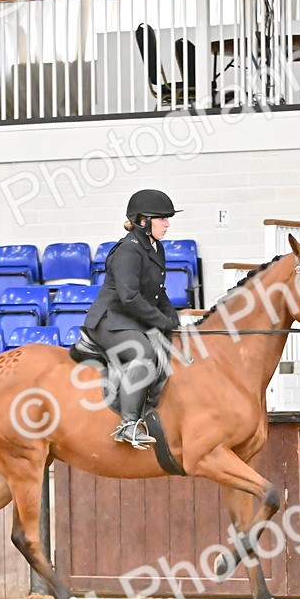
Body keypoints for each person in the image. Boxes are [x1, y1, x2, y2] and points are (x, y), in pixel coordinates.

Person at [84, 189, 182, 449]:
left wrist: (174, 320)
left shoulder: (155, 247)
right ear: (142, 221)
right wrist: (161, 321)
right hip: (110, 320)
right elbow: (129, 298)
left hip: (131, 319)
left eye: (167, 219)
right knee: (144, 353)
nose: (167, 224)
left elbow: (158, 293)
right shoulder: (128, 251)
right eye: (162, 219)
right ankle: (127, 425)